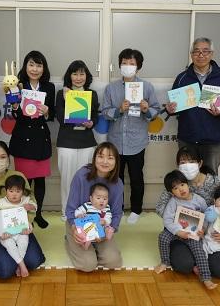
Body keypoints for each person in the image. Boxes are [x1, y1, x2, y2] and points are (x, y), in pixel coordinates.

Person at [155, 146, 220, 279]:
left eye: (191, 161)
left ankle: (217, 261)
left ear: (200, 163)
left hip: (209, 233)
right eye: (183, 162)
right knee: (183, 265)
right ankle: (195, 262)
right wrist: (180, 221)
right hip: (182, 232)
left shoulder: (215, 181)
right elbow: (160, 207)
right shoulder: (176, 182)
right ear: (178, 165)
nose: (187, 165)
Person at [101, 48, 161, 225]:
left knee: (136, 177)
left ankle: (136, 210)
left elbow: (155, 112)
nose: (128, 66)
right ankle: (115, 209)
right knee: (114, 179)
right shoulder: (111, 88)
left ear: (138, 67)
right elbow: (105, 113)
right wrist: (119, 110)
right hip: (115, 142)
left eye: (132, 63)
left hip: (137, 142)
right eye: (125, 63)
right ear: (120, 65)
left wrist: (146, 109)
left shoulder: (147, 87)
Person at [166, 37, 220, 174]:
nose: (201, 55)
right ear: (191, 55)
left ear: (212, 54)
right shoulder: (182, 78)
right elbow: (174, 106)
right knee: (187, 175)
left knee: (210, 177)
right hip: (187, 137)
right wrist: (170, 109)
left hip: (212, 139)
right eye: (196, 52)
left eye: (205, 51)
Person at [0, 140, 45, 279]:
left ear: (8, 159)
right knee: (5, 271)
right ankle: (14, 261)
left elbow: (31, 202)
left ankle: (18, 261)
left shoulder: (19, 177)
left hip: (21, 228)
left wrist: (26, 225)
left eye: (3, 157)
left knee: (35, 261)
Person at [9, 51, 55, 229]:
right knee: (23, 181)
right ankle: (22, 214)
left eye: (39, 65)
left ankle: (38, 213)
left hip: (41, 138)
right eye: (31, 65)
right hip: (22, 137)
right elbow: (16, 113)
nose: (35, 69)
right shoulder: (17, 85)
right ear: (25, 67)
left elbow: (54, 114)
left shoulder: (49, 87)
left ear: (43, 68)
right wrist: (14, 106)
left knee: (40, 180)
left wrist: (47, 111)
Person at [65, 142, 123, 271]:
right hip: (78, 224)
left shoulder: (117, 183)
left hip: (102, 226)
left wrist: (111, 229)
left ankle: (95, 248)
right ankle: (69, 239)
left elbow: (117, 212)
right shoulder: (81, 175)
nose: (105, 161)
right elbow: (70, 210)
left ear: (116, 162)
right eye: (101, 156)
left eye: (110, 158)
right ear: (94, 158)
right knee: (88, 265)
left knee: (114, 262)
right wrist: (74, 228)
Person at [155, 170, 217, 290]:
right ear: (171, 193)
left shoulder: (199, 200)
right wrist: (178, 232)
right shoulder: (173, 202)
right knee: (162, 236)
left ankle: (206, 278)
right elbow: (167, 220)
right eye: (175, 188)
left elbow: (206, 217)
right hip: (177, 231)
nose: (181, 189)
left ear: (187, 184)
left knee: (198, 250)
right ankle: (164, 262)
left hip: (193, 232)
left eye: (182, 185)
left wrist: (203, 229)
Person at [56, 60, 99, 221]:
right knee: (67, 179)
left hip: (87, 142)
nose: (78, 77)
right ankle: (66, 211)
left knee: (87, 178)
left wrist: (91, 123)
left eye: (82, 74)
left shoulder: (92, 94)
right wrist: (69, 101)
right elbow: (60, 118)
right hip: (66, 142)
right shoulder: (62, 93)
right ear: (69, 76)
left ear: (86, 76)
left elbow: (95, 116)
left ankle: (85, 211)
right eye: (75, 73)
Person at [0, 175, 37, 278]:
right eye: (11, 191)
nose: (14, 194)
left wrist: (30, 206)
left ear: (23, 191)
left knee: (24, 243)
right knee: (9, 244)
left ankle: (19, 265)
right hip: (6, 233)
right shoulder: (1, 202)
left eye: (18, 191)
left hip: (21, 231)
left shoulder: (25, 200)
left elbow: (35, 206)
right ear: (6, 191)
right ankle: (22, 265)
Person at [74, 183, 113, 250]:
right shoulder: (87, 205)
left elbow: (109, 217)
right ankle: (85, 244)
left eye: (105, 199)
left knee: (107, 228)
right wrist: (79, 215)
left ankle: (105, 236)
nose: (102, 201)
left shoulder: (107, 208)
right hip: (88, 227)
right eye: (98, 198)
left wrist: (105, 221)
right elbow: (77, 211)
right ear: (91, 199)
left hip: (99, 228)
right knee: (81, 231)